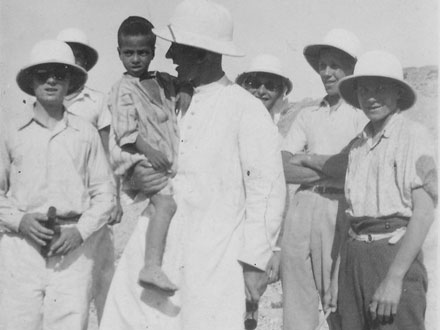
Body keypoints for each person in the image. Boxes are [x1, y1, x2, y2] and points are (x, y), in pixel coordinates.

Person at [100, 1, 286, 329]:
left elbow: (266, 190)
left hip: (213, 255)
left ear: (202, 54)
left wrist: (255, 261)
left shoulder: (244, 108)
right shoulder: (169, 99)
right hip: (155, 245)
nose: (168, 57)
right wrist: (138, 177)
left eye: (177, 49)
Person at [0, 39, 115, 330]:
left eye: (60, 74)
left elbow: (105, 195)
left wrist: (80, 231)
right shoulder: (11, 131)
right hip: (21, 249)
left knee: (69, 323)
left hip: (71, 250)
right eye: (43, 74)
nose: (51, 80)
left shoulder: (86, 133)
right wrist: (19, 221)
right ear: (31, 81)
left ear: (71, 82)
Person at [326, 50, 437, 330]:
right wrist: (337, 278)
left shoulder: (414, 135)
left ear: (398, 92)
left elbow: (423, 214)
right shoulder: (357, 146)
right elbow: (349, 219)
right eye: (364, 89)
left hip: (393, 255)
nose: (371, 97)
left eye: (380, 87)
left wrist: (394, 278)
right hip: (353, 258)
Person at [280, 28, 368, 330]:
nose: (327, 73)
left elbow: (356, 167)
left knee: (339, 299)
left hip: (338, 207)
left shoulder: (361, 113)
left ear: (352, 67)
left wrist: (309, 158)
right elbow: (282, 166)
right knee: (296, 298)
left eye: (335, 65)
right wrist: (332, 165)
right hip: (302, 206)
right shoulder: (307, 115)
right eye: (322, 65)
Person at [108, 16, 191, 293]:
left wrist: (186, 90)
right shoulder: (122, 89)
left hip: (163, 160)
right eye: (128, 53)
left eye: (142, 52)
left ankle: (156, 264)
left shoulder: (162, 80)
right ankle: (151, 266)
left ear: (153, 52)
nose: (135, 59)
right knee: (167, 206)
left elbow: (185, 83)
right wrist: (151, 151)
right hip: (142, 160)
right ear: (119, 53)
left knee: (158, 208)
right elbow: (125, 133)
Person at [56, 27, 119, 323]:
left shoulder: (96, 100)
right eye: (69, 55)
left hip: (93, 198)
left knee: (103, 277)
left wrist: (114, 197)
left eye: (80, 56)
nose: (75, 61)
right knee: (67, 289)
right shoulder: (47, 98)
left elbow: (108, 151)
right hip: (59, 201)